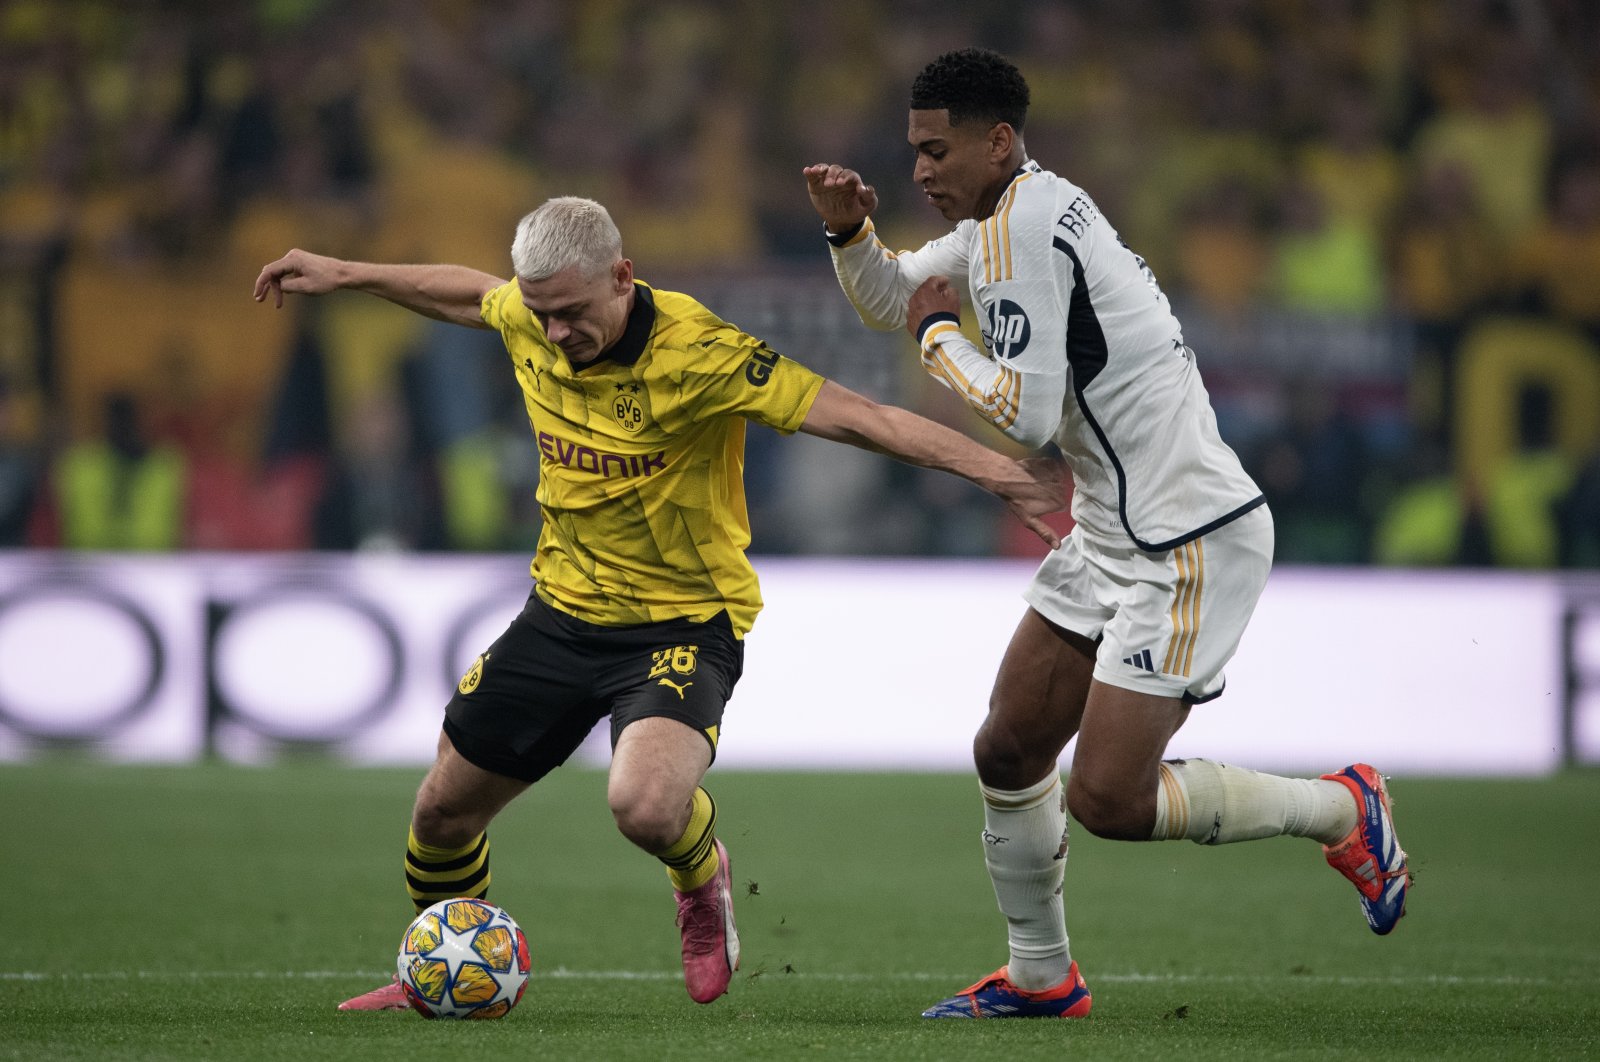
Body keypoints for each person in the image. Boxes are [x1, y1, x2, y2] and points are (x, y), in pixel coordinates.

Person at [252, 195, 1068, 1011]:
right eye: (542, 315)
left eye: (572, 314)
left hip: (681, 624)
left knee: (643, 806)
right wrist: (344, 272)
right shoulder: (533, 312)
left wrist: (998, 473)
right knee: (439, 815)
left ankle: (700, 877)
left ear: (622, 277)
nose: (556, 332)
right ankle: (437, 974)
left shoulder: (702, 353)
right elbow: (470, 294)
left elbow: (859, 417)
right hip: (561, 613)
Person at [803, 48, 1410, 1020]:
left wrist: (936, 341)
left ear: (997, 141)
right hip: (1111, 534)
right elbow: (891, 292)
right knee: (1007, 750)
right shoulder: (1008, 212)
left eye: (935, 148)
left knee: (1109, 801)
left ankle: (1342, 808)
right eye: (911, 150)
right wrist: (849, 235)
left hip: (1187, 543)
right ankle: (1041, 978)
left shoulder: (1021, 234)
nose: (919, 169)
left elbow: (1028, 414)